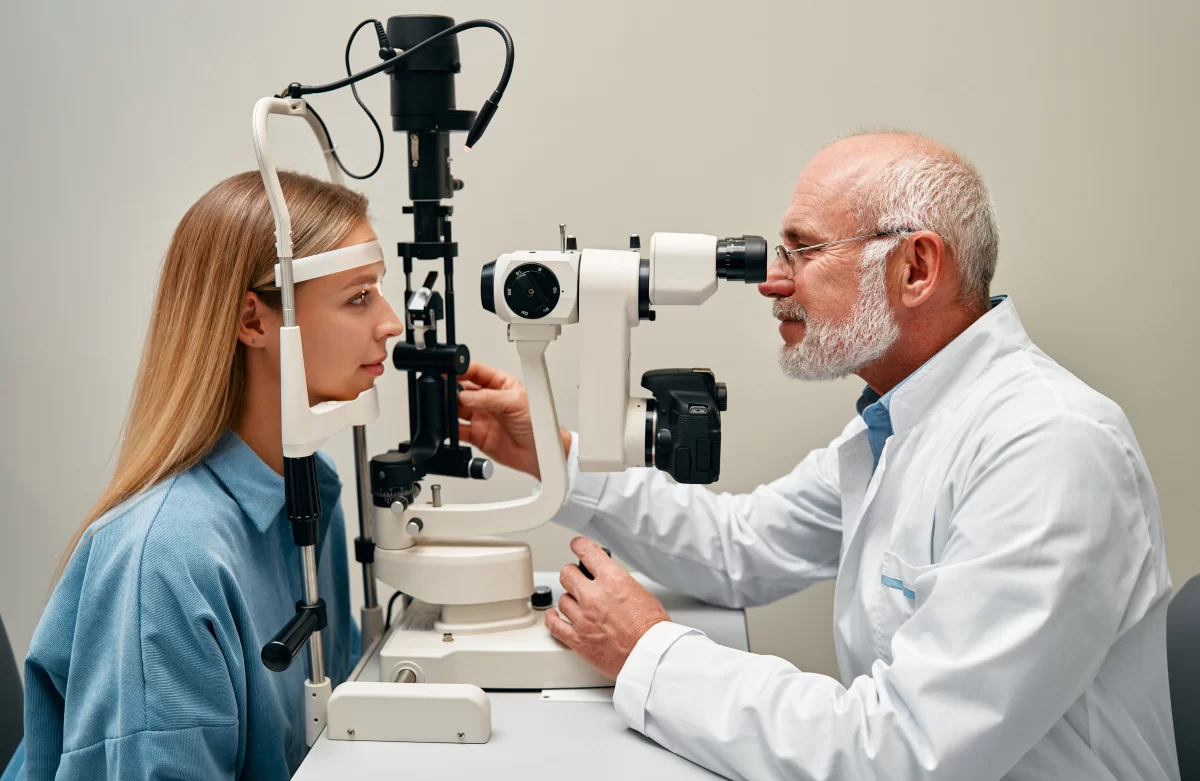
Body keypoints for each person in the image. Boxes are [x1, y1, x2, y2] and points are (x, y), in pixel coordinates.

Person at [456, 132, 1179, 780]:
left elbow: (900, 752)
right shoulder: (901, 423)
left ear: (916, 268)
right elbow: (740, 546)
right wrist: (547, 451)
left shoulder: (1048, 448)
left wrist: (648, 649)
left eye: (801, 250)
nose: (773, 281)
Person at [3, 171, 403, 780]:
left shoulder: (311, 492)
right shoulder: (168, 559)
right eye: (358, 298)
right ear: (254, 322)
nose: (391, 322)